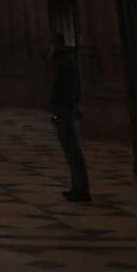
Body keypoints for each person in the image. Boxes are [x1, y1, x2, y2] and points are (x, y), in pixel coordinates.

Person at [50, 26, 91, 202]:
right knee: (69, 149)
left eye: (49, 43)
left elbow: (65, 86)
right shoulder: (61, 60)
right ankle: (77, 185)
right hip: (63, 107)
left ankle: (81, 187)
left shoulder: (65, 62)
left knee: (72, 148)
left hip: (64, 108)